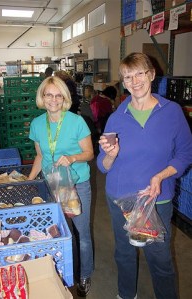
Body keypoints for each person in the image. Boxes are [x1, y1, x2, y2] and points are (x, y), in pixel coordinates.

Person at [97, 52, 192, 299]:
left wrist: (160, 176)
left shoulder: (171, 112)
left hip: (155, 200)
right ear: (123, 82)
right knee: (124, 253)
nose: (135, 80)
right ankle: (126, 294)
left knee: (159, 258)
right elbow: (102, 165)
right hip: (120, 198)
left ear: (151, 75)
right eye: (128, 76)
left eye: (140, 73)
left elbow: (184, 154)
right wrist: (111, 154)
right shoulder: (117, 117)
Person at [28, 76, 94, 297]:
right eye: (49, 94)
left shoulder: (77, 121)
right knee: (60, 233)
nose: (53, 100)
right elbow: (40, 156)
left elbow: (89, 153)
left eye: (58, 95)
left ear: (65, 98)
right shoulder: (37, 124)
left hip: (76, 185)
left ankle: (84, 274)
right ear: (42, 97)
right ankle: (66, 272)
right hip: (51, 185)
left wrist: (72, 158)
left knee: (81, 233)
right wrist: (30, 180)